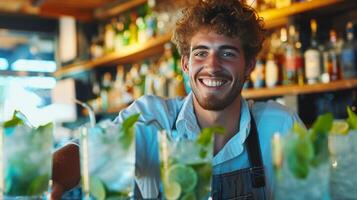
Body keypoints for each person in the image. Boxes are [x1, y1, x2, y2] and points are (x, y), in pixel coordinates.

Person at [52, 0, 303, 199]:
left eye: (227, 53)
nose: (212, 66)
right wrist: (53, 179)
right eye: (201, 53)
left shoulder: (279, 125)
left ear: (248, 65)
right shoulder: (153, 118)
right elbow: (86, 151)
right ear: (185, 64)